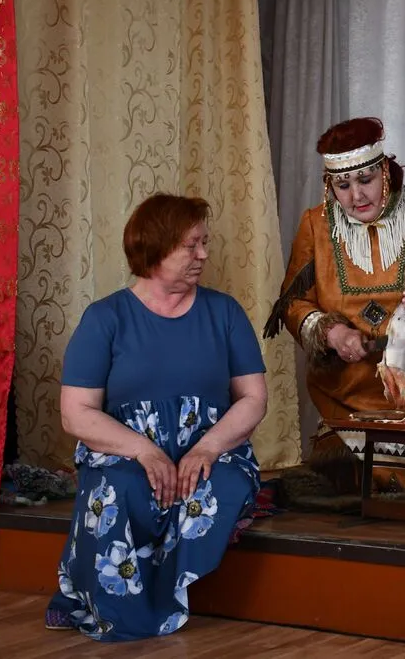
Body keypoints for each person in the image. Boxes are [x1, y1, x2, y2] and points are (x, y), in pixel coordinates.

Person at [45, 194, 268, 641]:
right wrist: (144, 451)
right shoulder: (105, 318)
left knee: (219, 488)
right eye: (191, 245)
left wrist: (207, 448)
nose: (203, 255)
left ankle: (167, 597)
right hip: (125, 452)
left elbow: (253, 398)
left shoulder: (224, 312)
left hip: (212, 450)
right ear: (155, 247)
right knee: (120, 492)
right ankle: (116, 609)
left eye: (204, 243)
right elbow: (76, 413)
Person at [265, 117, 405, 491]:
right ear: (329, 185)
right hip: (347, 398)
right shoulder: (316, 224)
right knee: (351, 479)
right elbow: (293, 303)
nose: (356, 196)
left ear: (385, 170)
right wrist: (331, 333)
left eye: (365, 180)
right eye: (343, 185)